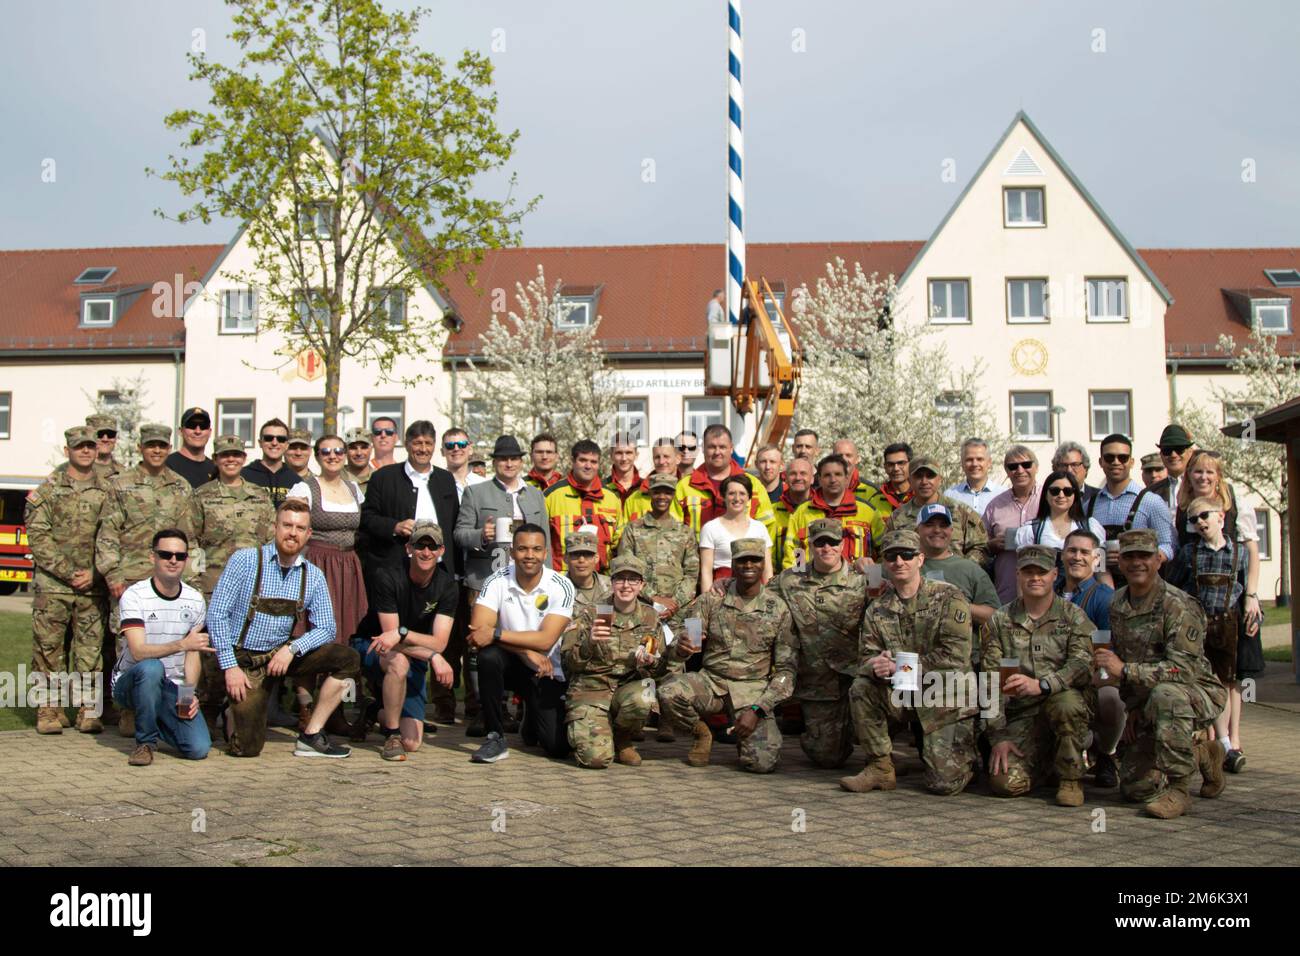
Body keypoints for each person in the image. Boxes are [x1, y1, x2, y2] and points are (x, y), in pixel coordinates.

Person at [207, 499, 360, 758]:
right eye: (287, 525)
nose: (293, 533)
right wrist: (230, 667)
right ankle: (231, 708)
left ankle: (311, 735)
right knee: (247, 748)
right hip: (244, 660)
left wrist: (292, 648)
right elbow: (217, 614)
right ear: (275, 527)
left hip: (280, 656)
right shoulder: (245, 561)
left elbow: (327, 627)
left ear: (308, 534)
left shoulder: (312, 575)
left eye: (300, 528)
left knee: (348, 658)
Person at [1094, 529, 1227, 819]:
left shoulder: (1179, 605)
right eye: (1130, 556)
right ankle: (1203, 754)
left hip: (1196, 692)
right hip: (1151, 698)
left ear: (1158, 560)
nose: (1137, 563)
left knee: (1166, 693)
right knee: (1134, 789)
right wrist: (1133, 708)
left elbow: (1182, 670)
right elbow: (1127, 657)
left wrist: (1125, 671)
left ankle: (1180, 790)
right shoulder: (1117, 603)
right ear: (1120, 562)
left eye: (1145, 556)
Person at [840, 529, 977, 796]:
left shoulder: (949, 598)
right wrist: (876, 664)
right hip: (903, 693)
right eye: (891, 556)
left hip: (944, 694)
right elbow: (865, 657)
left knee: (942, 784)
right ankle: (881, 767)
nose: (899, 562)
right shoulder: (878, 609)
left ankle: (965, 759)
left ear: (920, 559)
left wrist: (901, 667)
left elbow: (956, 657)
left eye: (907, 555)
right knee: (862, 687)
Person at [657, 538, 795, 773]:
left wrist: (758, 710)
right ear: (732, 563)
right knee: (668, 692)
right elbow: (685, 638)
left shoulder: (778, 608)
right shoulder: (712, 599)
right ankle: (702, 733)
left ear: (763, 563)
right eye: (742, 560)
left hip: (752, 690)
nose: (748, 565)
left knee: (761, 763)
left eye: (755, 559)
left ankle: (747, 738)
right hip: (712, 681)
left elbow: (786, 672)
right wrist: (681, 647)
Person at [96, 424, 194, 734]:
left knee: (171, 645)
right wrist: (112, 573)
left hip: (169, 584)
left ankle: (169, 706)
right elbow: (108, 534)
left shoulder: (180, 487)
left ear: (169, 448)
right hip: (129, 583)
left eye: (162, 446)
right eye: (151, 445)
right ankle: (129, 711)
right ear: (141, 447)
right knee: (129, 649)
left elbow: (188, 537)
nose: (156, 450)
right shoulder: (120, 485)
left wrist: (188, 580)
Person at [980, 545, 1095, 806]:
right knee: (1004, 784)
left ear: (1055, 574)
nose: (1035, 578)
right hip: (1022, 714)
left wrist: (1043, 685)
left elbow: (1082, 665)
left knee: (1066, 703)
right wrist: (999, 737)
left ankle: (1071, 778)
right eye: (1028, 572)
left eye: (1041, 572)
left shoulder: (1073, 616)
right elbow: (989, 682)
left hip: (1065, 706)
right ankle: (1046, 764)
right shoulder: (1000, 620)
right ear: (1018, 575)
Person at [1174, 450, 1263, 771]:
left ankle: (1232, 739)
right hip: (1198, 607)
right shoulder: (1183, 508)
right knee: (1205, 672)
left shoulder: (1234, 505)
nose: (1203, 477)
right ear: (1189, 476)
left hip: (1232, 603)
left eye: (1210, 472)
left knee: (1232, 674)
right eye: (1197, 472)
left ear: (1218, 476)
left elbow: (1251, 552)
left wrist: (1252, 596)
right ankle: (1215, 741)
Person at [188, 435, 278, 734]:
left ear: (243, 458)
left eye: (237, 455)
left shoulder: (259, 497)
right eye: (225, 455)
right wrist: (192, 584)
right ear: (216, 458)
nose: (231, 460)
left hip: (252, 588)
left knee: (247, 648)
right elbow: (190, 543)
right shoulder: (201, 496)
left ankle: (239, 711)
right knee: (213, 653)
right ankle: (208, 710)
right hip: (213, 584)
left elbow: (269, 544)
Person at [467, 523, 576, 763]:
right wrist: (525, 650)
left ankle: (531, 716)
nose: (530, 555)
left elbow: (546, 640)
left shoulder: (561, 585)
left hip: (545, 670)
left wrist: (497, 634)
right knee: (487, 657)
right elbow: (478, 634)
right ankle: (495, 736)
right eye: (523, 549)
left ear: (545, 553)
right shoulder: (495, 581)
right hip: (512, 664)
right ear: (513, 552)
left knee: (557, 747)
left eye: (536, 549)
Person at [26, 426, 111, 734]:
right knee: (48, 650)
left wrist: (94, 572)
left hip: (92, 586)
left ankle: (89, 711)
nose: (86, 451)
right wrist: (67, 571)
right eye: (79, 447)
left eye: (90, 446)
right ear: (68, 451)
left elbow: (113, 535)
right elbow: (37, 535)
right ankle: (48, 711)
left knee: (90, 651)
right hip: (53, 586)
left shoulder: (108, 490)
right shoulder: (48, 489)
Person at [350, 521, 457, 760]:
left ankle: (375, 711)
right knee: (399, 663)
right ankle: (391, 735)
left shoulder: (447, 586)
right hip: (371, 644)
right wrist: (432, 655)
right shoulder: (387, 575)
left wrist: (406, 634)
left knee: (413, 742)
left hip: (410, 649)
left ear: (441, 551)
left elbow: (439, 642)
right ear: (409, 547)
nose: (426, 552)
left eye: (432, 546)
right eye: (420, 545)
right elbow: (390, 640)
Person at [561, 554, 676, 768]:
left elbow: (660, 670)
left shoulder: (651, 617)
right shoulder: (590, 613)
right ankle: (597, 729)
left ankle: (623, 738)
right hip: (591, 689)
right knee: (595, 760)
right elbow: (569, 663)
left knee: (647, 691)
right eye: (620, 579)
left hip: (626, 688)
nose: (626, 586)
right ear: (611, 582)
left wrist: (651, 662)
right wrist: (590, 642)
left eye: (633, 580)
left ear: (641, 585)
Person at [112, 529, 212, 765]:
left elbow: (192, 654)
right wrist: (182, 644)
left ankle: (154, 715)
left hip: (171, 685)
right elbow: (138, 651)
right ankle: (145, 743)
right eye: (166, 554)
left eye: (180, 556)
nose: (173, 560)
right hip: (131, 680)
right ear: (152, 557)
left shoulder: (195, 600)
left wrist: (188, 695)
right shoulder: (135, 596)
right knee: (151, 668)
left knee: (198, 748)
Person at [775, 518, 868, 768]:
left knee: (878, 717)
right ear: (810, 546)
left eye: (833, 542)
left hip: (856, 677)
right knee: (828, 758)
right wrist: (725, 584)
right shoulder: (791, 579)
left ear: (843, 545)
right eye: (820, 543)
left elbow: (899, 591)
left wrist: (875, 569)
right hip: (819, 682)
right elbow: (759, 596)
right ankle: (830, 733)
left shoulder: (864, 579)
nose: (827, 548)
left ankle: (880, 748)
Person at [287, 435, 368, 647]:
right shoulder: (305, 488)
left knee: (349, 625)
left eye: (338, 451)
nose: (333, 456)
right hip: (318, 563)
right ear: (317, 456)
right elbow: (291, 527)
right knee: (317, 625)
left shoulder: (354, 489)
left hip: (349, 564)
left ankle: (343, 675)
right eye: (326, 452)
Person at [360, 420, 460, 575]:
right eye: (417, 443)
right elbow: (366, 518)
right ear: (407, 444)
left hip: (439, 569)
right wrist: (394, 526)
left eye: (428, 443)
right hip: (395, 568)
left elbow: (455, 523)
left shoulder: (446, 479)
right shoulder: (383, 477)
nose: (423, 449)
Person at [1085, 434, 1176, 584]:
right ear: (1101, 462)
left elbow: (1169, 545)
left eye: (1122, 458)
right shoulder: (1089, 504)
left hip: (1141, 586)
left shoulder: (1151, 502)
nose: (1116, 462)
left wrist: (1139, 559)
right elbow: (1085, 548)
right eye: (1109, 458)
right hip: (1099, 586)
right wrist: (1100, 557)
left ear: (1131, 462)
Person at [617, 473, 699, 621]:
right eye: (657, 492)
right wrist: (653, 597)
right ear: (650, 493)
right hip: (642, 608)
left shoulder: (685, 532)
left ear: (673, 494)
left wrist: (674, 603)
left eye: (667, 492)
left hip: (679, 612)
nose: (662, 497)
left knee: (691, 641)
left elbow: (692, 574)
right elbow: (625, 569)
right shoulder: (633, 529)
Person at [784, 454, 887, 570]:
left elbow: (885, 552)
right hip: (813, 585)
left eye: (838, 474)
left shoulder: (868, 512)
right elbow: (794, 551)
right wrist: (800, 580)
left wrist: (873, 576)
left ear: (846, 478)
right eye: (827, 475)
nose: (833, 480)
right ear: (819, 479)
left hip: (858, 585)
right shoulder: (802, 512)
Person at [673, 424, 774, 540]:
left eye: (722, 447)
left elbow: (768, 529)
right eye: (712, 447)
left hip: (742, 557)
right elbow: (673, 531)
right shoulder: (684, 487)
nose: (717, 452)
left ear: (731, 448)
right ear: (703, 448)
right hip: (697, 557)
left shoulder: (753, 485)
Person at [887, 457, 988, 566]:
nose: (924, 482)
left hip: (955, 579)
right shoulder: (897, 517)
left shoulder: (960, 511)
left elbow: (981, 547)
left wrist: (963, 569)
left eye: (930, 476)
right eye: (918, 476)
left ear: (940, 479)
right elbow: (888, 552)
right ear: (910, 480)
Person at [916, 504, 1001, 635]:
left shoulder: (970, 569)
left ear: (951, 530)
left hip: (961, 651)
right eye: (929, 525)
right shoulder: (903, 566)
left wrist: (955, 604)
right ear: (917, 530)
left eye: (943, 525)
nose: (937, 530)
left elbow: (995, 617)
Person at [544, 439, 623, 572]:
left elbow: (619, 544)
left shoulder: (612, 498)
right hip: (562, 578)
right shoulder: (551, 496)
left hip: (602, 579)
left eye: (593, 462)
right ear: (572, 461)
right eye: (583, 460)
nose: (588, 466)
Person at [1014, 471, 1109, 576]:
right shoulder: (1030, 530)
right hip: (1045, 590)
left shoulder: (1091, 526)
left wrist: (1106, 590)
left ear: (1075, 495)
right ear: (1045, 494)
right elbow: (1023, 573)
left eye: (1068, 491)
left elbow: (1101, 569)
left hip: (1084, 590)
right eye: (1055, 491)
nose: (1061, 495)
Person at [984, 445, 1043, 602]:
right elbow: (980, 546)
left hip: (1044, 589)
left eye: (1026, 465)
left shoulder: (1050, 498)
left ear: (1036, 467)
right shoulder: (994, 505)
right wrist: (992, 544)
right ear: (1007, 471)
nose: (1020, 470)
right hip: (1006, 590)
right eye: (1013, 466)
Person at [699, 475, 772, 591]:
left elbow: (767, 571)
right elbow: (706, 571)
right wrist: (707, 600)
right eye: (731, 493)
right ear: (724, 496)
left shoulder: (760, 528)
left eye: (742, 493)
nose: (737, 498)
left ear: (749, 497)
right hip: (722, 591)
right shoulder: (710, 528)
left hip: (754, 592)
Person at [1056, 529, 1114, 630]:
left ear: (1096, 559)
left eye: (1085, 552)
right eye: (1072, 551)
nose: (1077, 557)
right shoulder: (1050, 592)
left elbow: (1104, 643)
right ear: (1062, 555)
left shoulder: (1105, 598)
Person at [621, 437, 681, 525]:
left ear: (678, 458)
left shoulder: (686, 492)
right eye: (657, 457)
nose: (661, 461)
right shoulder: (634, 499)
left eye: (666, 456)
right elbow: (624, 534)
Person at [241, 418, 300, 507]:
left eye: (281, 439)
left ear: (287, 445)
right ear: (260, 443)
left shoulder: (296, 481)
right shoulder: (243, 477)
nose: (274, 443)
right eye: (268, 438)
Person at [771, 455, 813, 572]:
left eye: (803, 473)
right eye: (793, 474)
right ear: (785, 477)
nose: (798, 477)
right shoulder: (772, 511)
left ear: (813, 478)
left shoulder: (822, 511)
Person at [945, 437, 1006, 517]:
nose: (974, 464)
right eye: (969, 460)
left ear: (989, 462)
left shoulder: (1003, 495)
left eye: (980, 459)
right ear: (962, 463)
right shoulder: (950, 495)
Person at [1148, 424, 1197, 513]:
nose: (1173, 455)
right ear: (1161, 455)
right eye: (1167, 450)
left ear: (1190, 452)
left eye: (1179, 449)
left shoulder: (1204, 486)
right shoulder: (1151, 493)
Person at [165, 406, 217, 489]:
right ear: (180, 431)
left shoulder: (215, 469)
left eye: (203, 426)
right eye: (192, 425)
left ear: (210, 432)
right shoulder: (167, 465)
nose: (198, 431)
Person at [565, 531, 611, 610]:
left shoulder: (611, 586)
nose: (581, 560)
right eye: (575, 554)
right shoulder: (556, 589)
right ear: (565, 558)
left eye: (587, 554)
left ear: (596, 558)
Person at [441, 426, 487, 500]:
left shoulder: (483, 484)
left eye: (462, 444)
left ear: (470, 449)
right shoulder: (436, 484)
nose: (456, 449)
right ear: (442, 452)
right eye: (450, 445)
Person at [1051, 441, 1099, 509]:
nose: (1069, 470)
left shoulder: (1099, 497)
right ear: (1055, 469)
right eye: (1064, 465)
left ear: (1086, 468)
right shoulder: (1047, 497)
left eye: (1075, 465)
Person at [873, 442, 914, 514]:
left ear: (911, 464)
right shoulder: (875, 500)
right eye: (890, 464)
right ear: (885, 467)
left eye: (901, 463)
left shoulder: (920, 495)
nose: (896, 468)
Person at [604, 433, 642, 504]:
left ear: (636, 455)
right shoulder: (601, 488)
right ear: (611, 455)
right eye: (619, 453)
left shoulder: (647, 488)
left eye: (628, 453)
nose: (624, 458)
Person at [343, 427, 375, 491]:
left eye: (364, 448)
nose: (359, 453)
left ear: (371, 449)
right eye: (353, 448)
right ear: (345, 450)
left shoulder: (379, 478)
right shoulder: (336, 477)